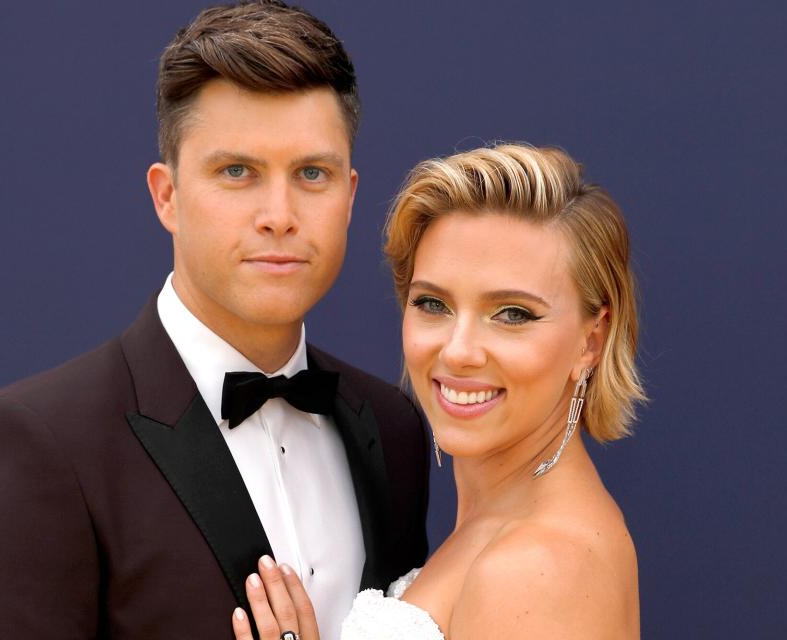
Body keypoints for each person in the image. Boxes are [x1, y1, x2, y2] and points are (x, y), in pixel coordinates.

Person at [0, 2, 429, 638]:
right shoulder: (38, 446)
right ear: (167, 196)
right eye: (237, 171)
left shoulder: (394, 429)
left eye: (311, 173)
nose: (279, 213)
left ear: (350, 196)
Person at [230, 143, 647, 639]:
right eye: (432, 303)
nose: (458, 351)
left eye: (512, 314)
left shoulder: (539, 567)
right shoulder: (504, 521)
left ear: (590, 341)